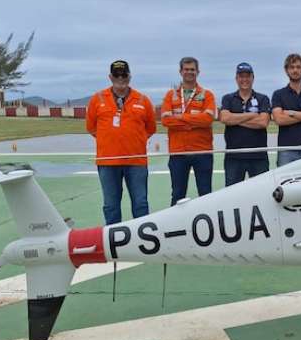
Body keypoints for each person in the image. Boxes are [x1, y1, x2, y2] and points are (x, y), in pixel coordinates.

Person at [86, 59, 157, 225]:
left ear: (129, 76)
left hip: (136, 162)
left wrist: (134, 140)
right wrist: (110, 140)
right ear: (110, 77)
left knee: (140, 204)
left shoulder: (142, 100)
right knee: (111, 206)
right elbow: (91, 128)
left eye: (124, 75)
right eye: (116, 75)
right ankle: (113, 241)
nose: (120, 78)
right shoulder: (97, 99)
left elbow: (151, 128)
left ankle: (141, 239)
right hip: (108, 162)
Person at [161, 57, 216, 206]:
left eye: (192, 69)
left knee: (205, 194)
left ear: (198, 72)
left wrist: (180, 118)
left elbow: (207, 120)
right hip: (178, 152)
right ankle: (175, 226)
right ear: (180, 72)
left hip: (202, 152)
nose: (189, 72)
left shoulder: (207, 94)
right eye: (186, 69)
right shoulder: (170, 95)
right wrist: (194, 119)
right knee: (178, 194)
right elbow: (166, 121)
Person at [219, 62, 271, 185]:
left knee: (261, 192)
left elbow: (263, 122)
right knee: (232, 195)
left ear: (253, 78)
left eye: (247, 76)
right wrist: (252, 115)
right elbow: (225, 118)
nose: (244, 79)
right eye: (241, 76)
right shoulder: (228, 98)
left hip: (258, 157)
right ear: (236, 78)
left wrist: (235, 119)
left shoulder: (262, 98)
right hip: (234, 157)